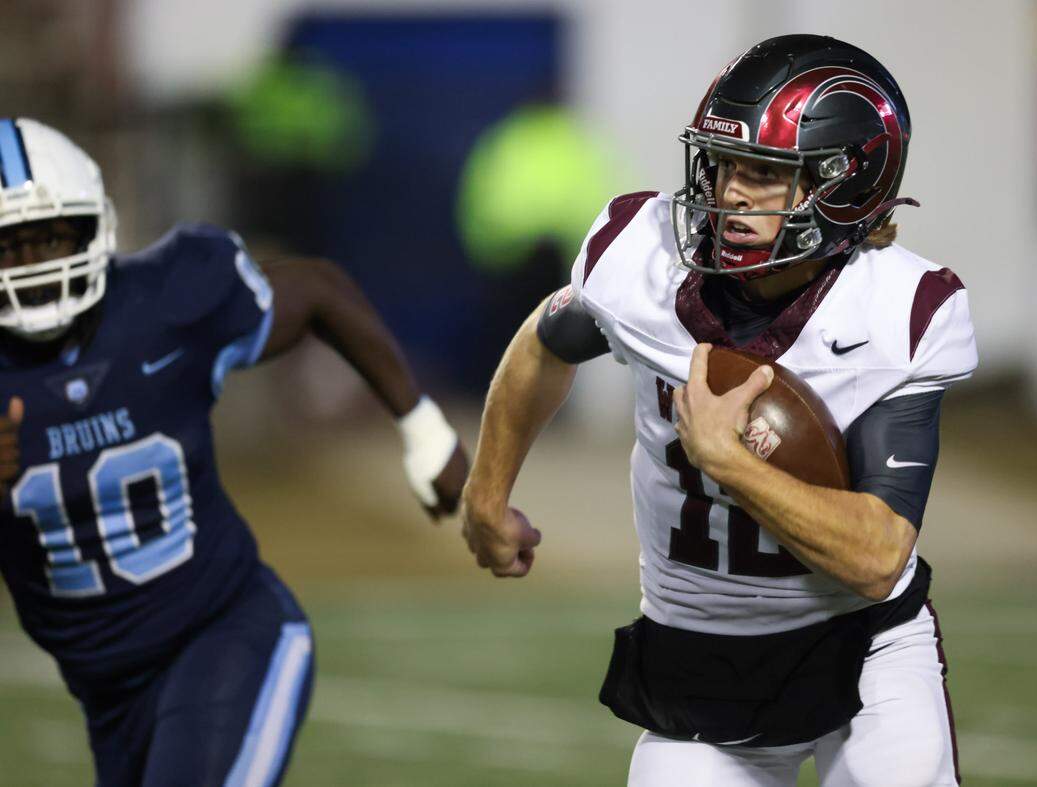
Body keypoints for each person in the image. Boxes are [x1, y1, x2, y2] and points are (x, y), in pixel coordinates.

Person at [462, 35, 977, 786]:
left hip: (862, 651)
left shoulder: (896, 311)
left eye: (767, 173)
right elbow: (544, 343)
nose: (732, 193)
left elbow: (877, 556)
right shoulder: (644, 265)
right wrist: (486, 489)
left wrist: (731, 462)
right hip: (699, 657)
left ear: (844, 184)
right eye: (726, 163)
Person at [0, 117, 467, 786]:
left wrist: (424, 428)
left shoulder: (164, 301)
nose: (34, 267)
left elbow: (318, 291)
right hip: (108, 697)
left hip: (225, 636)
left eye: (49, 237)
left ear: (94, 227)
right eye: (11, 247)